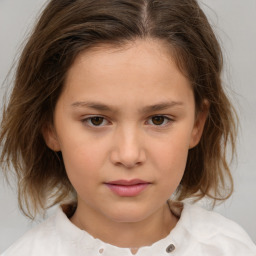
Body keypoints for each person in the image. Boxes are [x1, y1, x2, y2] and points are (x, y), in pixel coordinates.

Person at [0, 0, 256, 255]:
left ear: (197, 124)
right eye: (96, 120)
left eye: (158, 119)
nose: (129, 155)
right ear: (49, 127)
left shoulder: (232, 248)